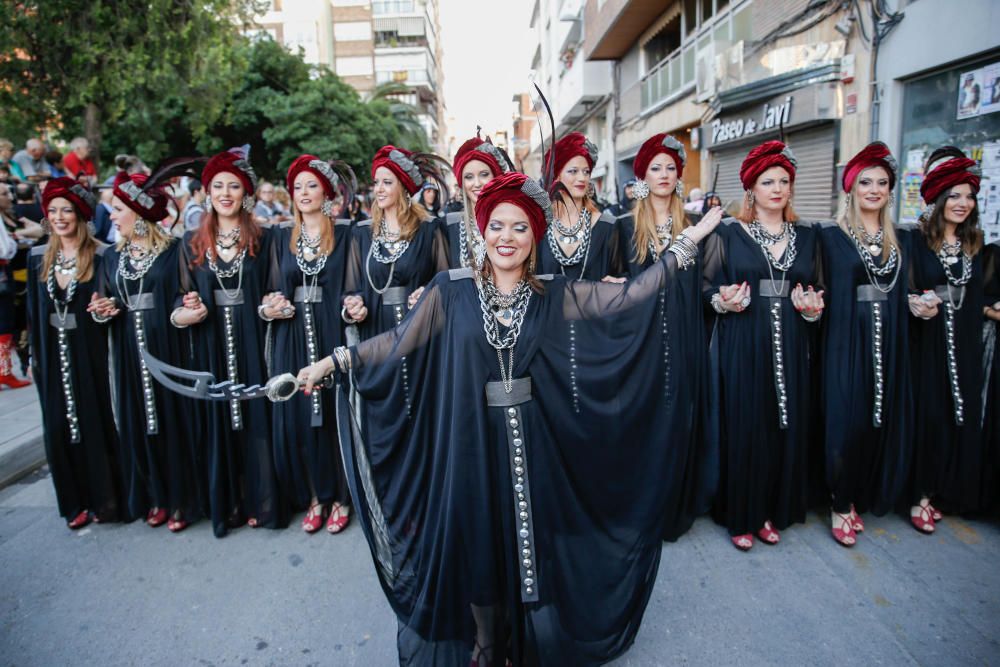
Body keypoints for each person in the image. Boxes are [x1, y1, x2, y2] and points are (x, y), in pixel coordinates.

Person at [299, 170, 721, 666]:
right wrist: (333, 362)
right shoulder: (450, 291)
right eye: (497, 226)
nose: (507, 237)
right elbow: (395, 343)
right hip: (471, 443)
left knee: (532, 540)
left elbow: (629, 297)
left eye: (520, 228)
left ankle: (526, 640)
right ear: (482, 230)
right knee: (478, 540)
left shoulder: (553, 292)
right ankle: (486, 642)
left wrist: (687, 241)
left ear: (534, 237)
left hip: (536, 442)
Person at [703, 140, 824, 551]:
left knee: (783, 420)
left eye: (784, 181)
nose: (777, 188)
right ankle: (741, 512)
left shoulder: (808, 235)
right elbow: (704, 284)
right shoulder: (729, 233)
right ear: (751, 189)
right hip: (743, 336)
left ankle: (772, 509)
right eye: (767, 181)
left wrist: (812, 309)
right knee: (745, 422)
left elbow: (819, 289)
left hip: (791, 340)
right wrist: (721, 299)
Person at [174, 146, 286, 537]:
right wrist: (186, 308)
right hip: (211, 340)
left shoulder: (265, 238)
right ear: (206, 192)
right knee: (219, 420)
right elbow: (181, 296)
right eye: (218, 185)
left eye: (233, 186)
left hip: (252, 337)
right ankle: (229, 503)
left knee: (256, 418)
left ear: (246, 194)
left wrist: (271, 305)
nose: (225, 192)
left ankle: (263, 500)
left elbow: (274, 288)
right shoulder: (191, 242)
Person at [88, 171, 205, 533]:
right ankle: (156, 495)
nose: (112, 214)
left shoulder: (174, 250)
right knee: (137, 419)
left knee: (172, 420)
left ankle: (183, 498)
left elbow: (182, 294)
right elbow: (109, 299)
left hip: (167, 347)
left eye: (118, 207)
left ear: (139, 212)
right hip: (128, 349)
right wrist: (103, 310)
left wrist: (188, 308)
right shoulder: (111, 257)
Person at [818, 142, 912, 547]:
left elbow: (901, 291)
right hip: (845, 337)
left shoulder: (898, 239)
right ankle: (839, 502)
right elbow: (822, 286)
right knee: (846, 419)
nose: (874, 189)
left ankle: (859, 495)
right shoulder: (831, 236)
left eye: (883, 183)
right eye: (866, 182)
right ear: (851, 188)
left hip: (887, 338)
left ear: (890, 191)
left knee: (878, 419)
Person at [906, 146, 996, 530]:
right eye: (955, 195)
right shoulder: (915, 242)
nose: (963, 203)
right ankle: (919, 495)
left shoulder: (977, 246)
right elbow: (904, 289)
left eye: (970, 196)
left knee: (963, 414)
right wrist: (917, 303)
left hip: (965, 339)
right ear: (939, 198)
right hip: (926, 340)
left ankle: (948, 489)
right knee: (930, 413)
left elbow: (983, 297)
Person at [27, 178, 123, 528]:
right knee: (58, 425)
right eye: (52, 211)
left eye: (66, 210)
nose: (59, 217)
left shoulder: (101, 254)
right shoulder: (38, 255)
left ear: (81, 215)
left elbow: (113, 301)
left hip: (90, 347)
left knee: (95, 419)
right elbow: (34, 314)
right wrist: (34, 356)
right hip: (53, 350)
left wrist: (106, 310)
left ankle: (107, 499)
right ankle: (74, 502)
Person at [267, 155, 354, 534]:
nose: (303, 193)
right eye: (297, 187)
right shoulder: (281, 236)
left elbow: (353, 287)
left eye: (311, 186)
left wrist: (352, 308)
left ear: (327, 192)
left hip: (330, 331)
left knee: (337, 416)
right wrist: (273, 305)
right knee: (301, 419)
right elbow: (274, 288)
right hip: (293, 335)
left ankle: (343, 498)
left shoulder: (348, 234)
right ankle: (316, 495)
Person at [537, 132, 622, 280]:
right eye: (573, 171)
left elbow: (624, 276)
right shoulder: (540, 227)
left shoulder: (608, 226)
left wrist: (620, 282)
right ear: (557, 176)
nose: (582, 178)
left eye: (586, 171)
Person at [441, 134, 512, 269]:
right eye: (469, 177)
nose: (477, 183)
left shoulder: (515, 224)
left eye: (484, 174)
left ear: (495, 177)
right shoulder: (449, 226)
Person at [0, 212, 27, 389]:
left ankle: (5, 371)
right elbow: (4, 248)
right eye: (4, 194)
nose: (8, 196)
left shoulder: (12, 215)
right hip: (4, 274)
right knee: (5, 323)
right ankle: (4, 372)